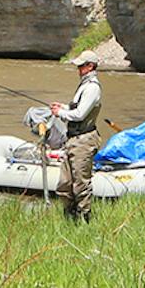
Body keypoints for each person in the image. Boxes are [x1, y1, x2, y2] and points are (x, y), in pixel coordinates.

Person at [52, 54, 103, 220]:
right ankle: (69, 217)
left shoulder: (92, 87)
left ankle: (84, 220)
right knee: (64, 184)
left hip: (84, 140)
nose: (78, 70)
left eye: (81, 66)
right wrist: (64, 107)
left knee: (81, 184)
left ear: (90, 66)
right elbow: (78, 107)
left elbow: (80, 114)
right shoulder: (84, 86)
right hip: (73, 139)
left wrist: (61, 113)